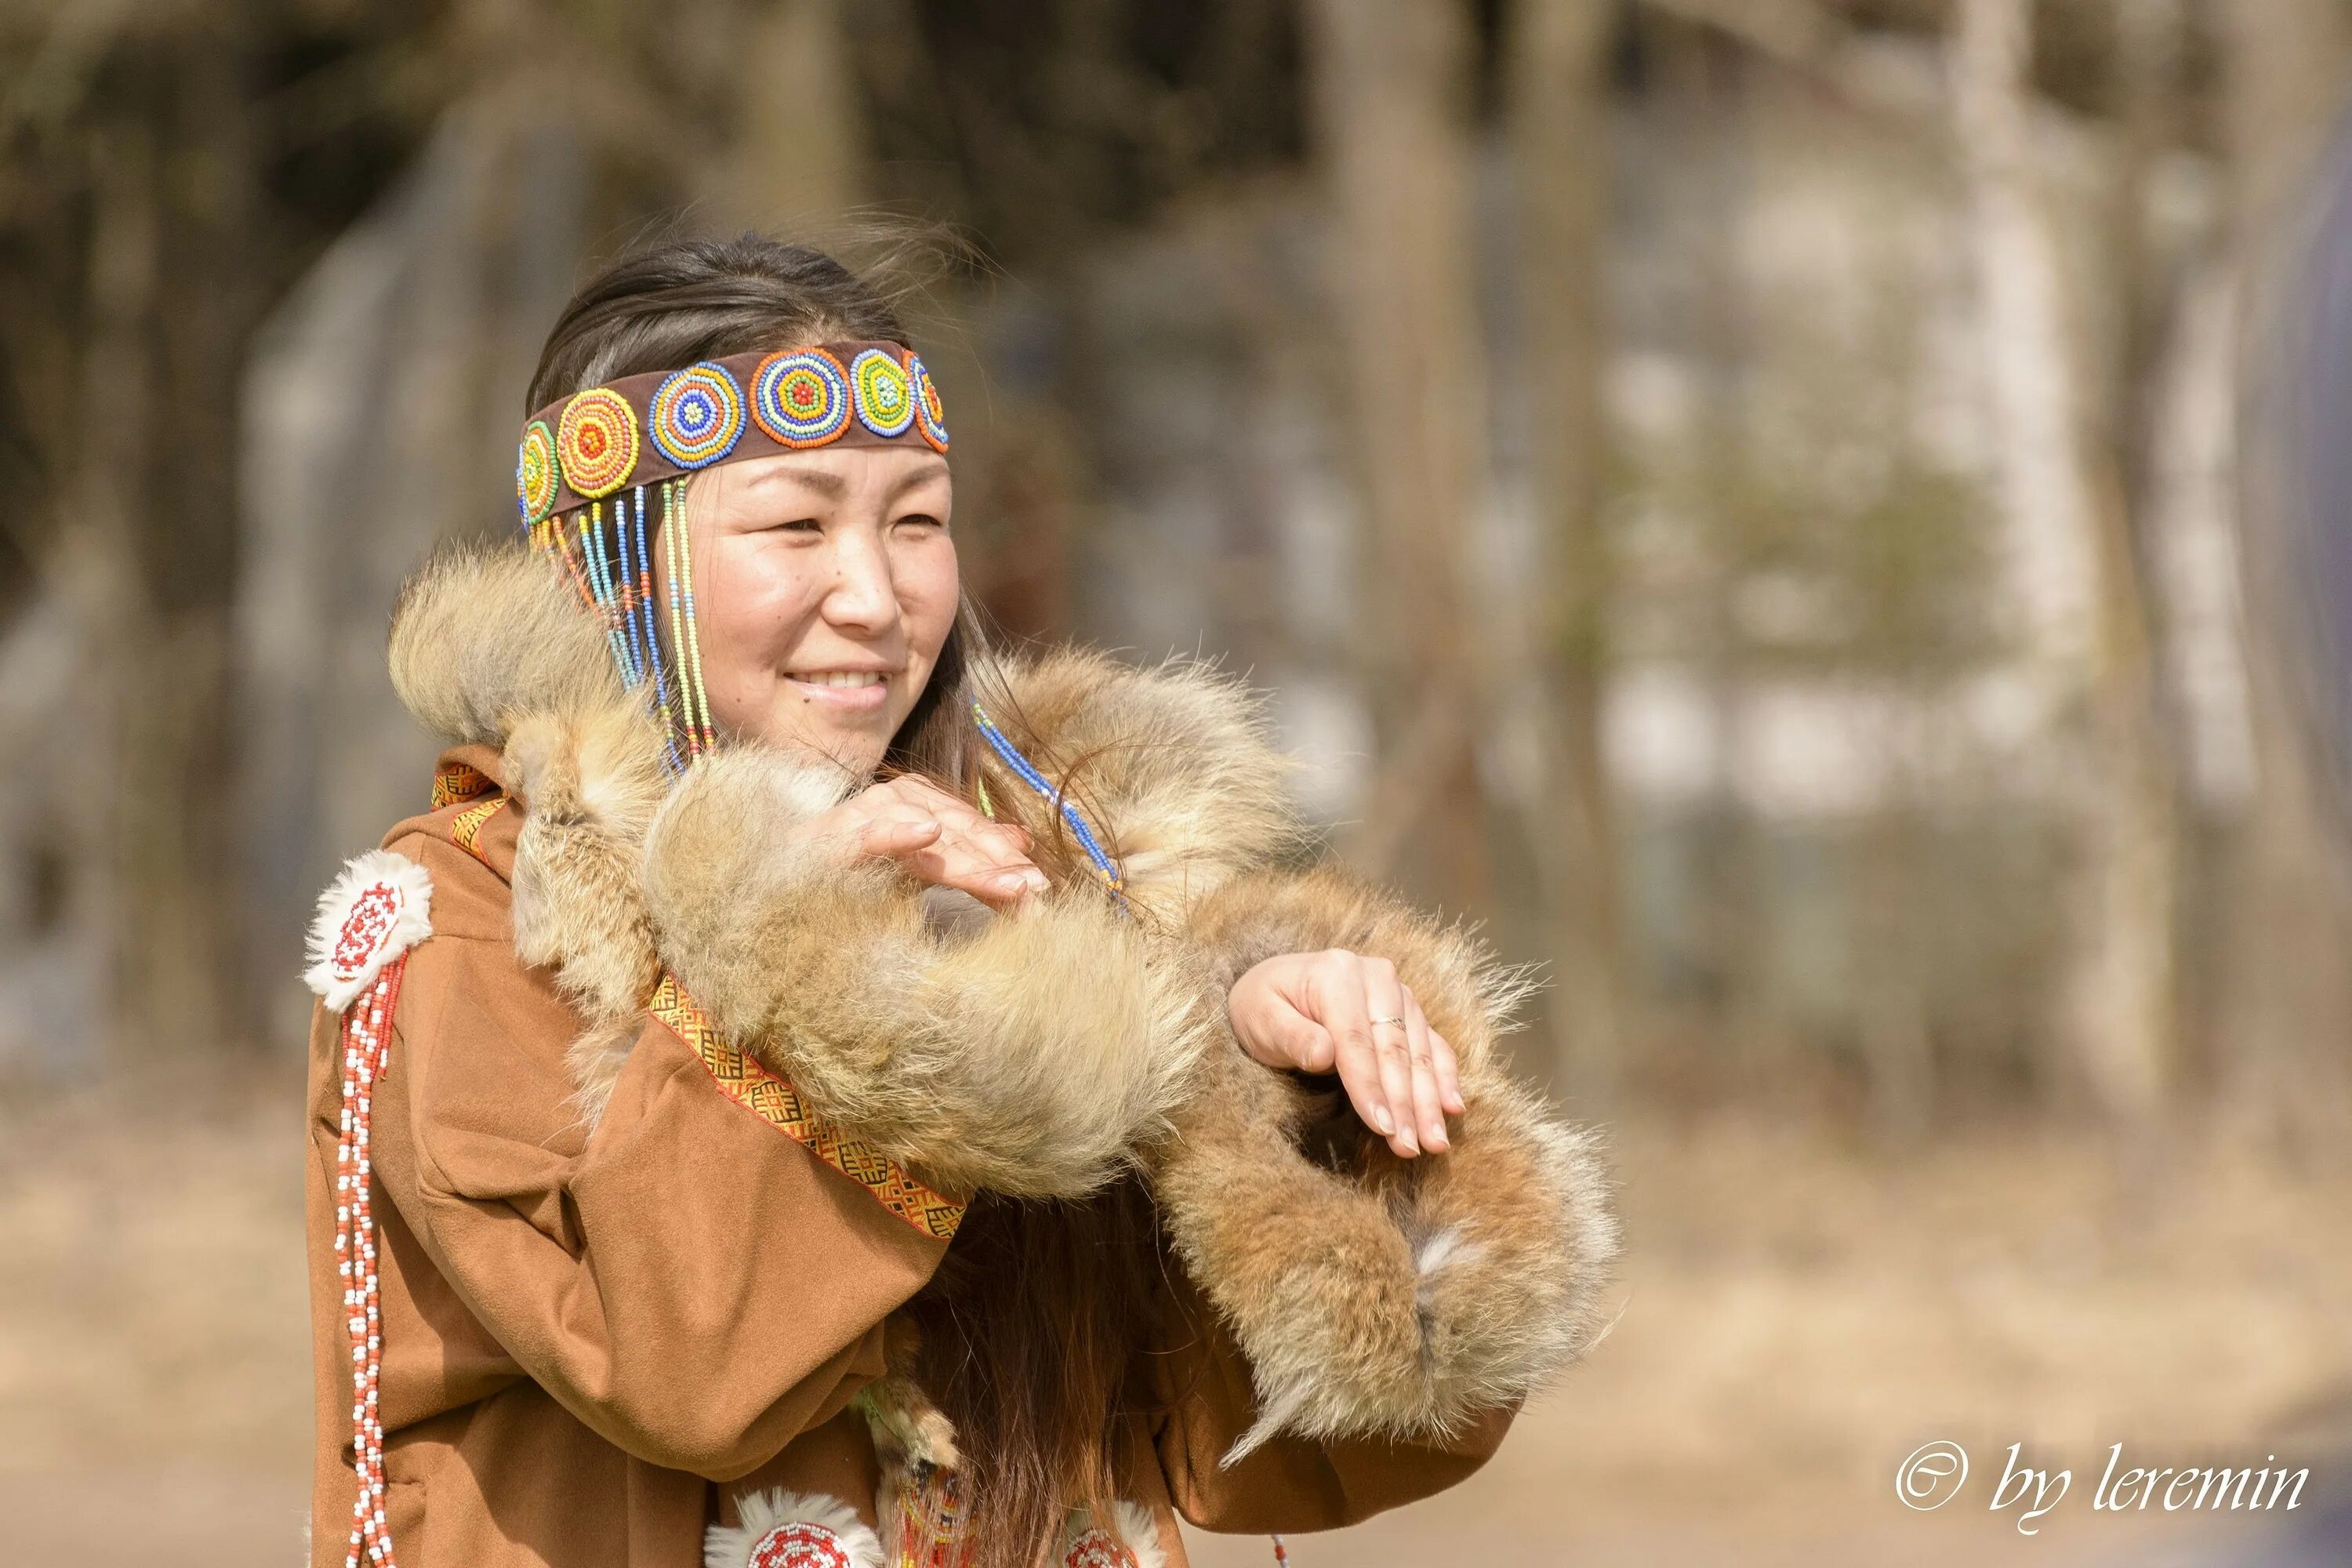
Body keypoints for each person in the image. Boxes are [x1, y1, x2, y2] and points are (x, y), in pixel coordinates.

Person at [301, 234, 1618, 1568]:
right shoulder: (470, 920)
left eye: (916, 521)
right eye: (795, 524)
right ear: (602, 571)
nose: (875, 597)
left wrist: (1274, 1081)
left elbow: (1277, 1446)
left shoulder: (1055, 884)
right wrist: (814, 951)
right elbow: (678, 1367)